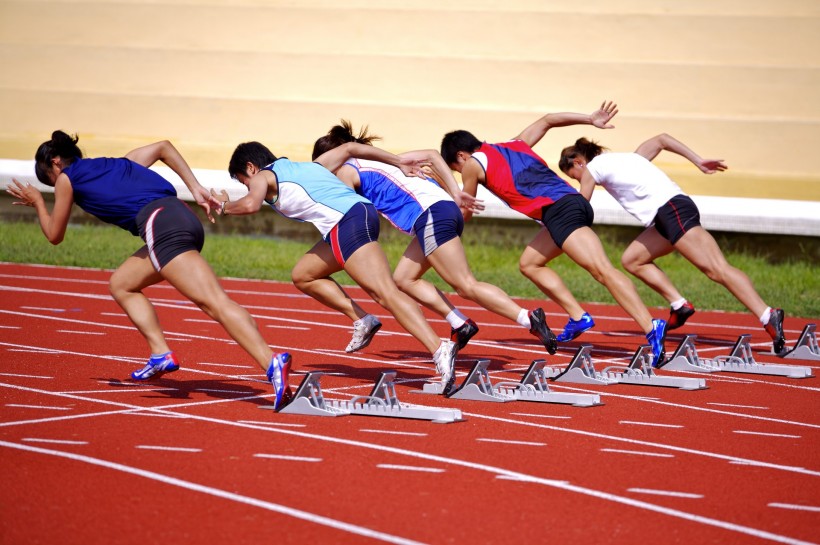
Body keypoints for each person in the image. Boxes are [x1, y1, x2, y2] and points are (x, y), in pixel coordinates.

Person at [6, 131, 294, 410]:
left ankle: (271, 363)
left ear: (56, 162)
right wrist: (194, 188)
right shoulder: (122, 163)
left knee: (213, 302)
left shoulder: (67, 178)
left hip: (161, 224)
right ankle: (160, 354)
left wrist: (39, 203)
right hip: (181, 217)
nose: (55, 184)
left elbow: (54, 235)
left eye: (51, 180)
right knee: (122, 284)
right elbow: (164, 147)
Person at [217, 140, 461, 394]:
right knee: (303, 275)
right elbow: (350, 148)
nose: (247, 186)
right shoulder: (310, 167)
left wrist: (223, 207)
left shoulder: (263, 176)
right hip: (354, 218)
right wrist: (396, 160)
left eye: (243, 181)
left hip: (346, 224)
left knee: (384, 292)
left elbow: (250, 204)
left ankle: (438, 347)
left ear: (250, 167)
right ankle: (362, 320)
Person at [440, 102, 669, 366]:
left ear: (461, 156)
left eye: (455, 169)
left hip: (560, 210)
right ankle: (577, 317)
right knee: (530, 263)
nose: (460, 173)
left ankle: (650, 325)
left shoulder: (471, 165)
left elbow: (465, 211)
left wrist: (449, 204)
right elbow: (548, 119)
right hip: (565, 208)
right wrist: (589, 118)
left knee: (602, 271)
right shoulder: (516, 143)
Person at [308, 120, 558, 356]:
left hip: (431, 216)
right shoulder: (384, 160)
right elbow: (431, 154)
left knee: (465, 284)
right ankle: (460, 323)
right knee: (404, 278)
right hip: (439, 212)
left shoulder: (345, 172)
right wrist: (455, 193)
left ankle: (528, 317)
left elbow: (349, 214)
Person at [558, 133, 787, 355]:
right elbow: (661, 139)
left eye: (575, 176)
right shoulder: (631, 158)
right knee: (633, 260)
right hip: (665, 217)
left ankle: (768, 314)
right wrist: (698, 160)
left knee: (716, 269)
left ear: (579, 162)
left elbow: (582, 205)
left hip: (672, 211)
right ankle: (679, 305)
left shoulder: (592, 167)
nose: (580, 179)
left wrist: (554, 221)